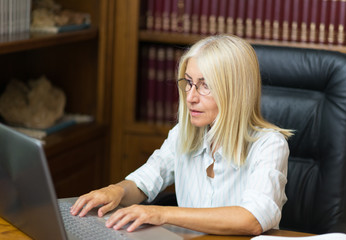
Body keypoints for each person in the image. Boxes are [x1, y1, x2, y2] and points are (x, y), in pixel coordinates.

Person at [70, 34, 292, 236]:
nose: (190, 97)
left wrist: (162, 214)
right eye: (189, 82)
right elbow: (144, 181)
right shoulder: (183, 134)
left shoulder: (269, 144)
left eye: (205, 85)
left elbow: (252, 219)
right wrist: (115, 191)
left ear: (233, 92)